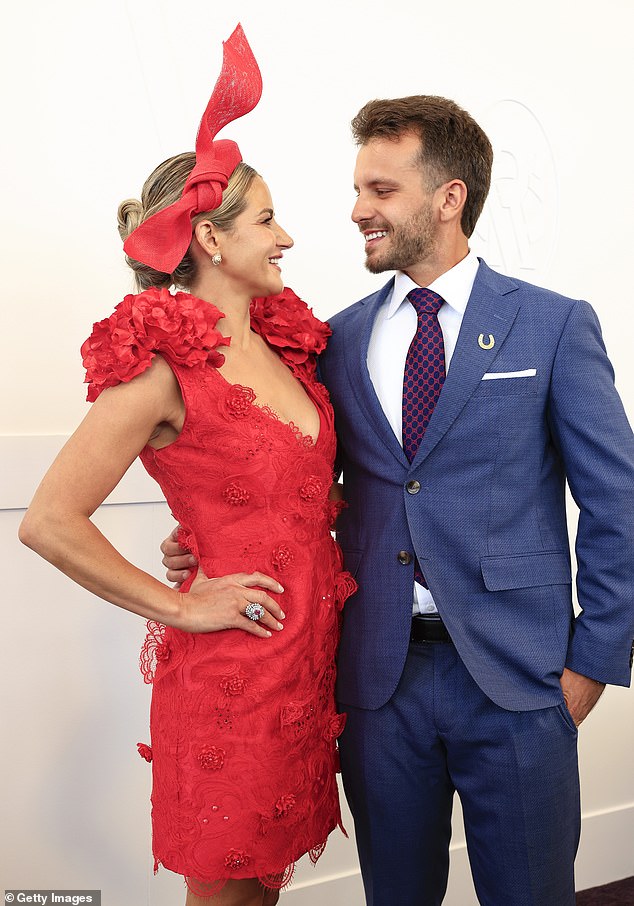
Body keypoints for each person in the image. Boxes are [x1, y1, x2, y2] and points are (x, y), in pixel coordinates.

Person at [163, 95, 634, 905]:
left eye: (380, 190)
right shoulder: (332, 340)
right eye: (357, 190)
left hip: (519, 682)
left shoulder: (553, 326)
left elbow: (616, 504)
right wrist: (212, 536)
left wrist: (591, 666)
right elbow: (308, 485)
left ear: (449, 197)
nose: (357, 210)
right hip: (377, 680)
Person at [19, 26, 355, 906]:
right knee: (224, 893)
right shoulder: (163, 366)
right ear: (209, 235)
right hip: (230, 676)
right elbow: (48, 521)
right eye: (268, 219)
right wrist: (179, 602)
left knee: (264, 889)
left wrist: (206, 531)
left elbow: (287, 493)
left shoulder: (286, 347)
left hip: (306, 664)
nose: (287, 237)